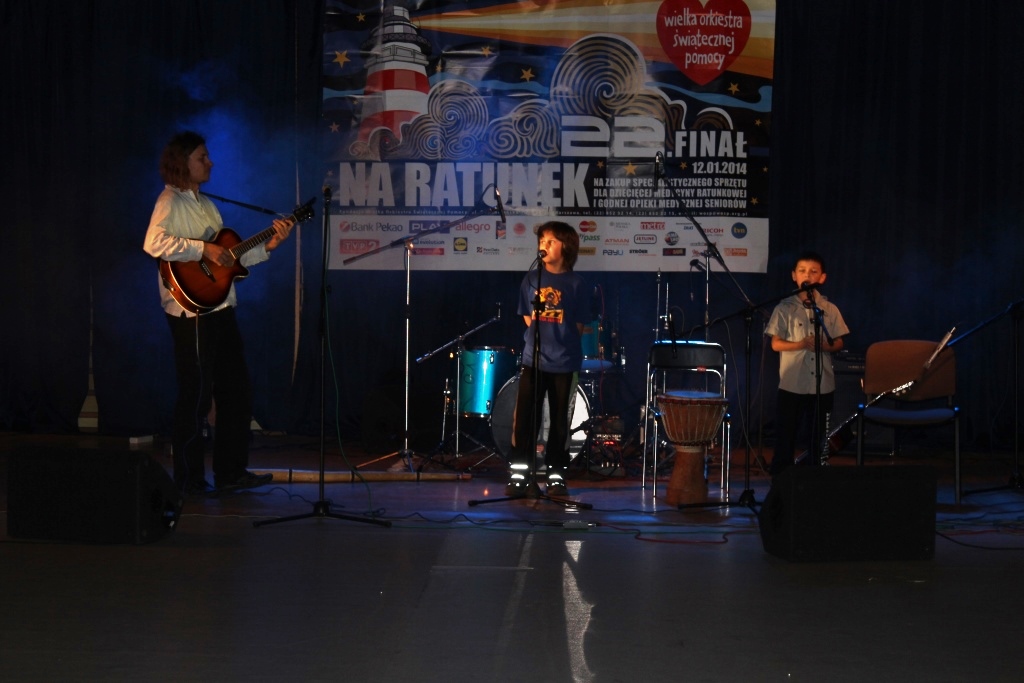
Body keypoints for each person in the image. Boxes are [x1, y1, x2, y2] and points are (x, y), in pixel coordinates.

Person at [143, 131, 295, 495]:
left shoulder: (208, 205)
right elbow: (154, 243)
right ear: (182, 162)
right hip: (191, 312)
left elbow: (229, 260)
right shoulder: (169, 200)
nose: (210, 163)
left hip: (221, 307)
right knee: (195, 396)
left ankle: (231, 472)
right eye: (202, 157)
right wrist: (202, 250)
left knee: (236, 391)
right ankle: (189, 480)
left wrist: (269, 246)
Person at [506, 221, 589, 498]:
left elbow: (579, 324)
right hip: (533, 360)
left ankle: (556, 476)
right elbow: (526, 316)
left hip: (564, 363)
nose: (544, 245)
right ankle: (520, 474)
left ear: (566, 246)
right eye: (542, 240)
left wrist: (560, 340)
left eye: (551, 241)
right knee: (524, 419)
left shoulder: (576, 284)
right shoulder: (531, 279)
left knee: (559, 422)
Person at [765, 251, 850, 476]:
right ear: (794, 275)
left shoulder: (829, 309)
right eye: (802, 271)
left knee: (818, 435)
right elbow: (775, 344)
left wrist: (824, 345)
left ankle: (815, 475)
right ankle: (781, 477)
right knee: (786, 434)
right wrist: (801, 344)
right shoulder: (784, 308)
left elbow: (839, 342)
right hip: (792, 383)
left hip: (822, 385)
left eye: (813, 272)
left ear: (822, 277)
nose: (807, 275)